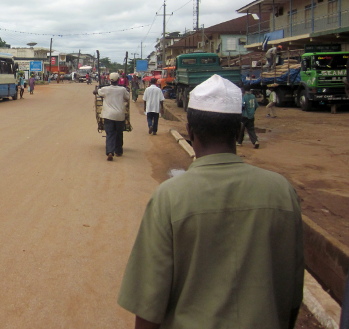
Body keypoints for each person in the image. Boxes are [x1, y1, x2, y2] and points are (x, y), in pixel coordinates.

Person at [118, 74, 304, 329]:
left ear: (190, 131)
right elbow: (292, 293)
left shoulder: (170, 198)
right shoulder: (282, 192)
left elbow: (148, 305)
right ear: (239, 130)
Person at [93, 72, 129, 161]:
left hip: (108, 115)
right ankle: (118, 151)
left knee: (110, 134)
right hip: (120, 115)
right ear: (118, 80)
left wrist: (96, 90)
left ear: (109, 80)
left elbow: (96, 92)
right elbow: (127, 97)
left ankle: (110, 151)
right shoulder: (122, 90)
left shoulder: (105, 89)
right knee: (119, 133)